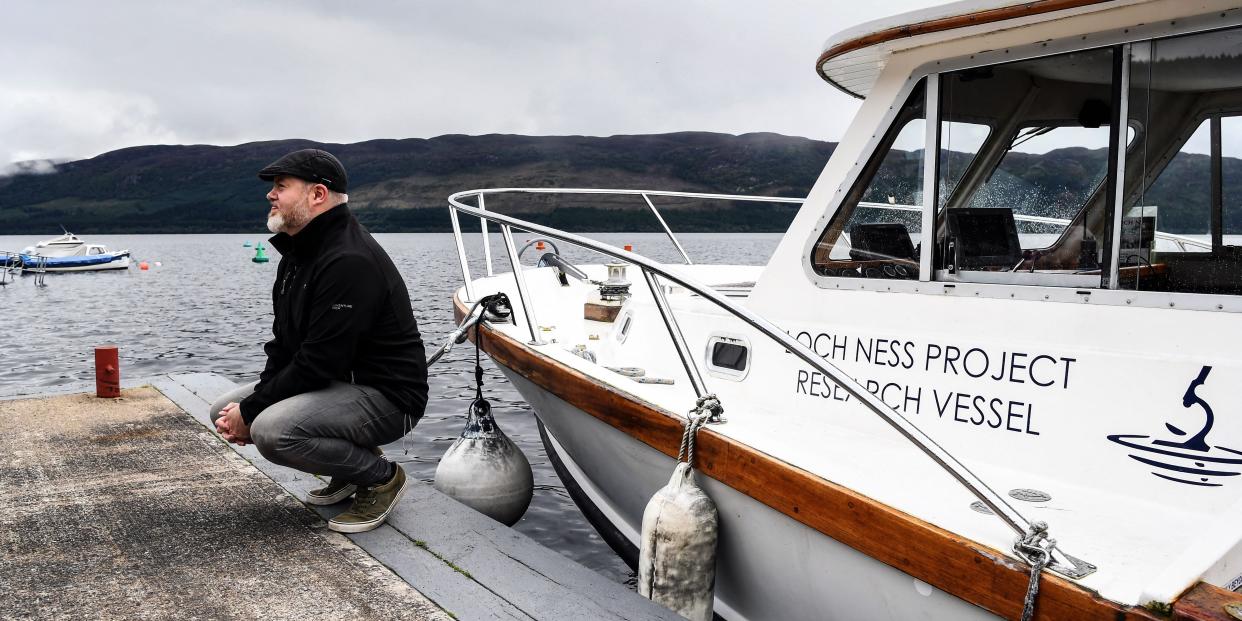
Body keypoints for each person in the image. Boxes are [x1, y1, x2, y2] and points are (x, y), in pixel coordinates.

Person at [209, 148, 428, 533]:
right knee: (223, 409)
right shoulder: (298, 254)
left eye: (281, 186)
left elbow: (320, 361)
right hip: (336, 383)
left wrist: (255, 411)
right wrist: (250, 405)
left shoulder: (349, 259)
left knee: (271, 430)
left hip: (389, 397)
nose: (270, 195)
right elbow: (284, 346)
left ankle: (380, 478)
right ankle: (347, 467)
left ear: (317, 195)